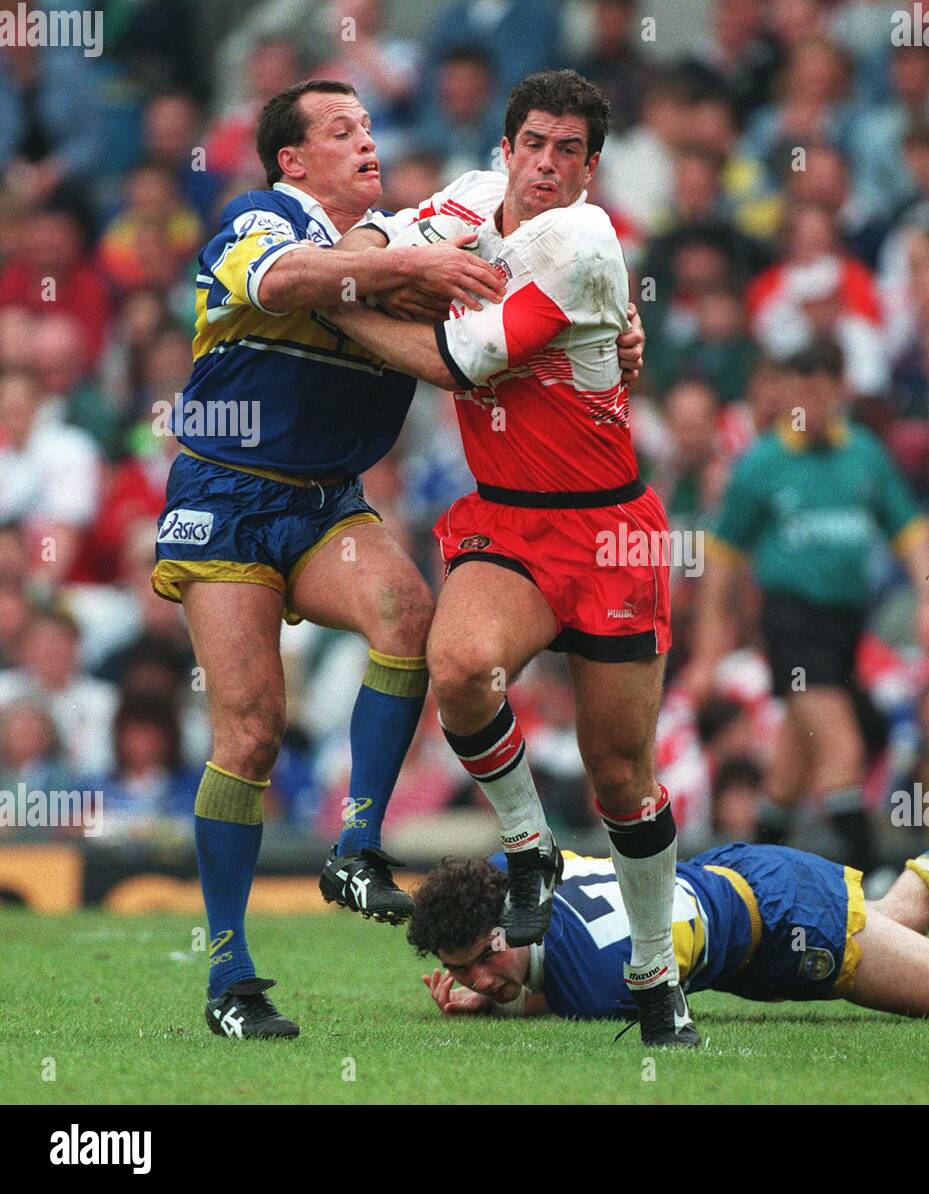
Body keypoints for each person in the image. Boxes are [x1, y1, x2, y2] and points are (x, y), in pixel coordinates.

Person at [152, 78, 607, 1043]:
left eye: (368, 126)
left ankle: (357, 843)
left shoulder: (413, 234)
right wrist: (404, 271)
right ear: (293, 159)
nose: (367, 141)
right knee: (251, 731)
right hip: (225, 497)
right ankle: (230, 974)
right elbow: (282, 285)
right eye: (340, 130)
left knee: (409, 615)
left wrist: (616, 323)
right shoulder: (259, 220)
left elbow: (541, 295)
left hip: (324, 504)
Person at [323, 70, 695, 1047]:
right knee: (459, 668)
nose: (545, 164)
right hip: (509, 519)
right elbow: (374, 238)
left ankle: (657, 981)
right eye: (531, 142)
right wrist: (354, 260)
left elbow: (465, 361)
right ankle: (529, 847)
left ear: (591, 166)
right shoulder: (474, 197)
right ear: (506, 146)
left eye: (567, 150)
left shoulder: (583, 241)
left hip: (606, 528)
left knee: (621, 779)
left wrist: (340, 311)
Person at [410, 774, 929, 1026]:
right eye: (465, 969)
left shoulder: (593, 980)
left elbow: (578, 991)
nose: (482, 975)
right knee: (901, 921)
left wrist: (500, 1006)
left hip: (783, 925)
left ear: (503, 921)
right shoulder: (515, 873)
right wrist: (494, 990)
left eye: (483, 956)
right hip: (746, 878)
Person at [687, 341, 929, 872]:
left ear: (839, 391)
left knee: (790, 770)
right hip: (792, 621)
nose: (810, 406)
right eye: (801, 392)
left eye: (821, 393)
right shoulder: (762, 465)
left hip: (846, 625)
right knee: (841, 748)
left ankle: (746, 873)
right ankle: (878, 879)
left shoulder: (865, 455)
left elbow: (910, 533)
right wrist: (707, 654)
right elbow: (723, 564)